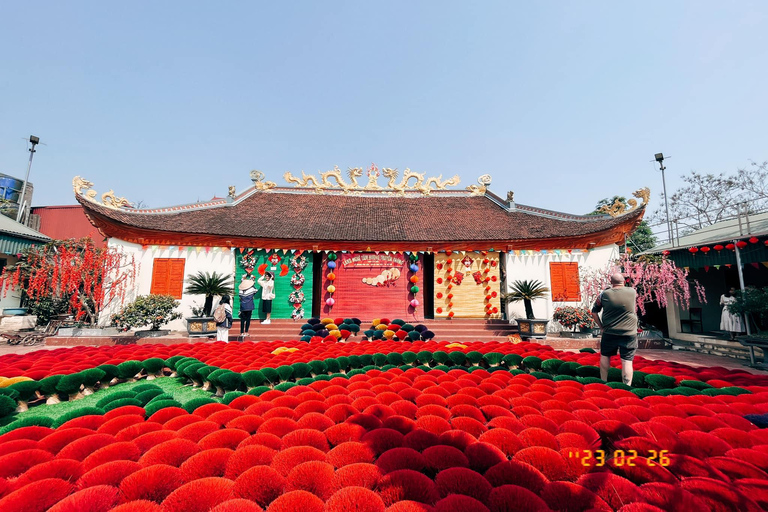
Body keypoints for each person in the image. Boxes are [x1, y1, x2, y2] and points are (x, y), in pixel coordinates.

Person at [591, 273, 638, 386]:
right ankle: (627, 385)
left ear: (611, 282)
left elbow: (594, 312)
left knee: (605, 355)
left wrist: (601, 327)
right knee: (627, 360)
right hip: (629, 333)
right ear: (624, 281)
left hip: (609, 332)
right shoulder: (632, 292)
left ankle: (603, 381)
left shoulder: (604, 294)